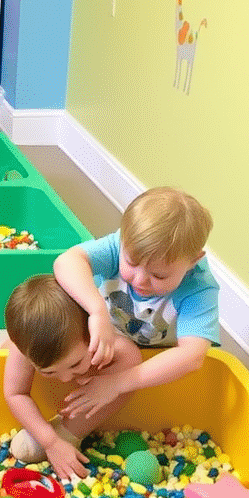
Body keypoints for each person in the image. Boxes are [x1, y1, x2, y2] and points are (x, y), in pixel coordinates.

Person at [51, 184, 219, 436]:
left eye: (159, 276)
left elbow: (192, 357)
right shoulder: (122, 245)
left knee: (128, 357)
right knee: (38, 324)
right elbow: (67, 262)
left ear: (193, 261)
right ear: (123, 239)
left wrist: (117, 384)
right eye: (130, 263)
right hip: (102, 335)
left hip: (147, 361)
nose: (140, 280)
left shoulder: (198, 288)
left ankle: (67, 433)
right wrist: (97, 312)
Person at [3, 273, 143, 481]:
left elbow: (131, 356)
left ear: (91, 333)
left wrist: (106, 382)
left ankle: (70, 432)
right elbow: (15, 393)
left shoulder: (103, 342)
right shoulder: (24, 349)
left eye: (75, 364)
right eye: (48, 371)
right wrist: (50, 442)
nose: (66, 379)